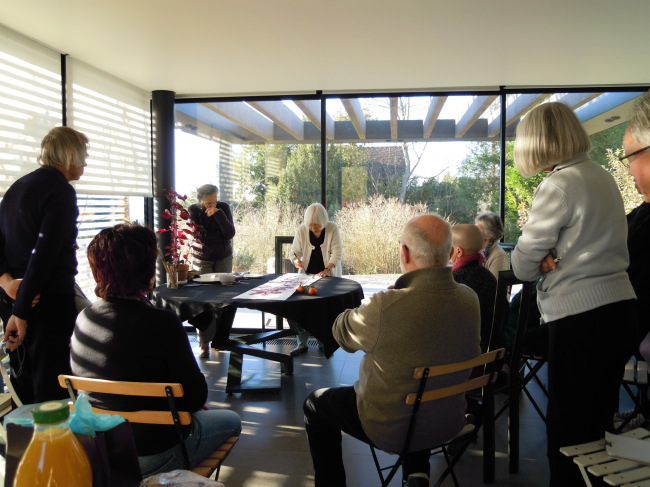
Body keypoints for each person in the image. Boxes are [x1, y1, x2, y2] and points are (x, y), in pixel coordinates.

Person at [510, 102, 638, 487]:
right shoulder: (601, 176)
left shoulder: (558, 185)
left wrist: (541, 260)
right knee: (599, 429)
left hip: (581, 317)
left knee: (567, 435)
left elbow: (520, 265)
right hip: (622, 310)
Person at [303, 214, 480, 487]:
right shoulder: (470, 298)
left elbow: (341, 334)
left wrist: (381, 301)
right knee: (419, 377)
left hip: (390, 428)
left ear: (404, 252)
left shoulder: (386, 306)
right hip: (448, 420)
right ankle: (416, 471)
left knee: (315, 403)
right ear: (449, 252)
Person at [70, 223, 241, 476]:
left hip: (101, 453)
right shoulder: (161, 321)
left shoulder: (85, 319)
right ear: (147, 271)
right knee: (233, 421)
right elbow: (195, 398)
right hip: (156, 454)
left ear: (98, 271)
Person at [0, 126, 88, 404]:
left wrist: (6, 284)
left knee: (22, 379)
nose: (85, 163)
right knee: (52, 387)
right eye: (84, 156)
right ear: (70, 153)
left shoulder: (17, 187)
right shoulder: (61, 191)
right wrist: (22, 312)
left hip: (12, 297)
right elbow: (44, 255)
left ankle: (25, 444)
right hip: (45, 302)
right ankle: (54, 446)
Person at [187, 184, 236, 358]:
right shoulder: (193, 211)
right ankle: (204, 343)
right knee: (204, 302)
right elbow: (200, 238)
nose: (212, 205)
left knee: (223, 298)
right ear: (200, 200)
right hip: (203, 258)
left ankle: (220, 339)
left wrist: (219, 215)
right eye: (208, 202)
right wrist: (218, 236)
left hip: (224, 256)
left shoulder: (222, 208)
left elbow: (230, 233)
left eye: (214, 201)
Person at [289, 203, 342, 356]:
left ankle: (324, 342)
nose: (313, 229)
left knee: (323, 311)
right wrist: (295, 260)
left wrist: (327, 269)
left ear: (324, 222)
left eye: (317, 226)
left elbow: (337, 253)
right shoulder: (302, 229)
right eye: (311, 226)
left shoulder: (332, 228)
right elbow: (294, 252)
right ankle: (301, 344)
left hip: (328, 275)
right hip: (307, 276)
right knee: (302, 309)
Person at [450, 224, 497, 352]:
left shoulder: (455, 280)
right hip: (489, 349)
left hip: (466, 353)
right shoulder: (488, 276)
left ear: (458, 251)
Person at [475, 212, 510, 279]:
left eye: (477, 229)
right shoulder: (475, 250)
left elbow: (495, 286)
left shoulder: (499, 256)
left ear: (489, 234)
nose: (473, 231)